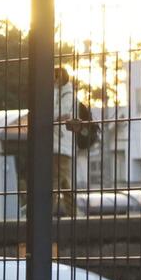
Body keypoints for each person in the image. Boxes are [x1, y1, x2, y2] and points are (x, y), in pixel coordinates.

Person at [53, 67, 81, 217]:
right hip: (60, 146)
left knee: (54, 183)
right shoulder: (64, 94)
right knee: (64, 183)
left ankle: (45, 215)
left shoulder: (66, 94)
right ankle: (74, 215)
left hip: (60, 146)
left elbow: (58, 113)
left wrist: (54, 90)